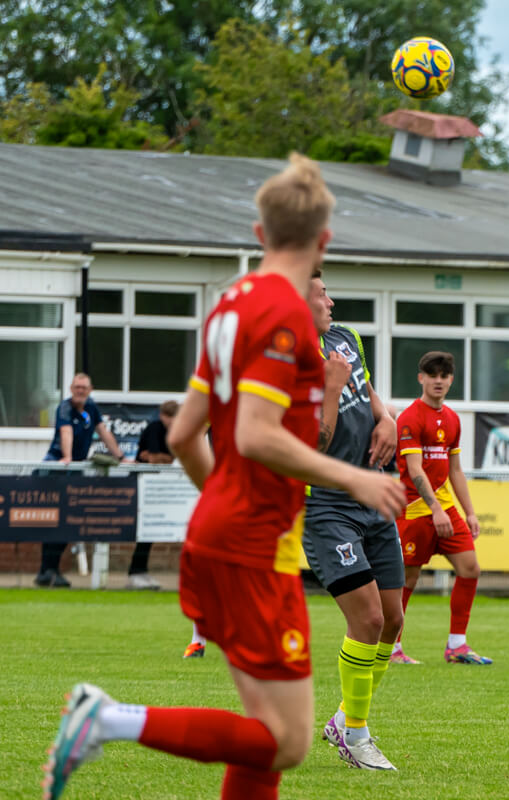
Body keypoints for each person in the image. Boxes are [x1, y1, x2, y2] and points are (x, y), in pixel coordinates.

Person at [44, 153, 407, 800]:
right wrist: (351, 481)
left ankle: (106, 719)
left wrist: (225, 499)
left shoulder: (228, 306)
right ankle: (107, 719)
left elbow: (186, 433)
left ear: (259, 233)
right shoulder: (285, 316)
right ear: (324, 240)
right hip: (253, 545)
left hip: (224, 531)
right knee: (287, 740)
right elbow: (254, 436)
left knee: (267, 738)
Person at [301, 275, 404, 770]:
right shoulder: (287, 365)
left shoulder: (346, 338)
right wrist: (328, 389)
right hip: (327, 503)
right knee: (367, 620)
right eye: (321, 294)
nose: (331, 300)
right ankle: (356, 736)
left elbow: (369, 395)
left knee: (394, 620)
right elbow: (308, 449)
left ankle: (344, 717)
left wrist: (387, 420)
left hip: (373, 489)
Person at [390, 351, 492, 666]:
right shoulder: (409, 418)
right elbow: (415, 470)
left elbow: (456, 470)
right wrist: (434, 509)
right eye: (432, 375)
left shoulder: (452, 418)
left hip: (443, 508)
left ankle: (457, 646)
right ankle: (392, 649)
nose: (438, 381)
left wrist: (470, 511)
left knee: (470, 568)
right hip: (415, 511)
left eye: (444, 375)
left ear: (451, 380)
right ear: (421, 378)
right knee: (407, 579)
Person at [36, 373, 130, 588]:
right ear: (71, 388)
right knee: (53, 519)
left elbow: (103, 433)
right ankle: (46, 570)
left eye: (84, 387)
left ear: (90, 389)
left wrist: (121, 457)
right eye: (76, 387)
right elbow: (66, 431)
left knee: (68, 521)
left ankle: (50, 570)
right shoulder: (65, 408)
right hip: (59, 466)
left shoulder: (91, 408)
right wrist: (68, 457)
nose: (80, 391)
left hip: (76, 468)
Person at [126, 400, 180, 590]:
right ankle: (135, 572)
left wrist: (160, 458)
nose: (173, 422)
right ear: (162, 416)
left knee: (150, 531)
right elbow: (157, 459)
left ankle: (140, 570)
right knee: (142, 528)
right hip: (142, 484)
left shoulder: (176, 431)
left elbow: (172, 456)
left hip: (158, 486)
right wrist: (166, 458)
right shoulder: (155, 429)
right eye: (170, 418)